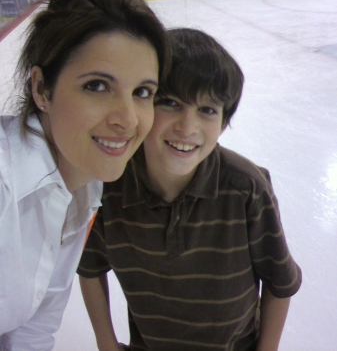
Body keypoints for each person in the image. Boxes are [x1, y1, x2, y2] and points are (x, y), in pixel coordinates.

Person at [78, 28, 302, 351]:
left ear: (223, 123)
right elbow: (89, 268)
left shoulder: (246, 189)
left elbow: (281, 283)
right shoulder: (110, 188)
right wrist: (105, 342)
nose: (187, 127)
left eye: (207, 110)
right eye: (169, 103)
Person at [0, 0, 170, 350]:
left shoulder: (84, 185)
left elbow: (33, 328)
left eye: (143, 92)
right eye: (97, 86)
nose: (127, 120)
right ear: (41, 89)